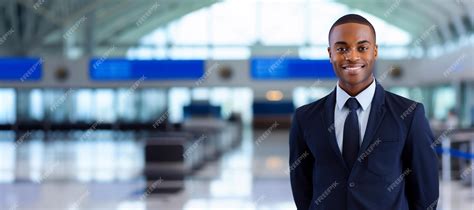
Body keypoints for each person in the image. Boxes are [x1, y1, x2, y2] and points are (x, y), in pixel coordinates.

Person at [289, 14, 439, 210]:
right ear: (330, 53)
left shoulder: (409, 114)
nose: (352, 56)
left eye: (362, 48)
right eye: (341, 48)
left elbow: (426, 191)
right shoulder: (306, 118)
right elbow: (302, 188)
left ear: (374, 51)